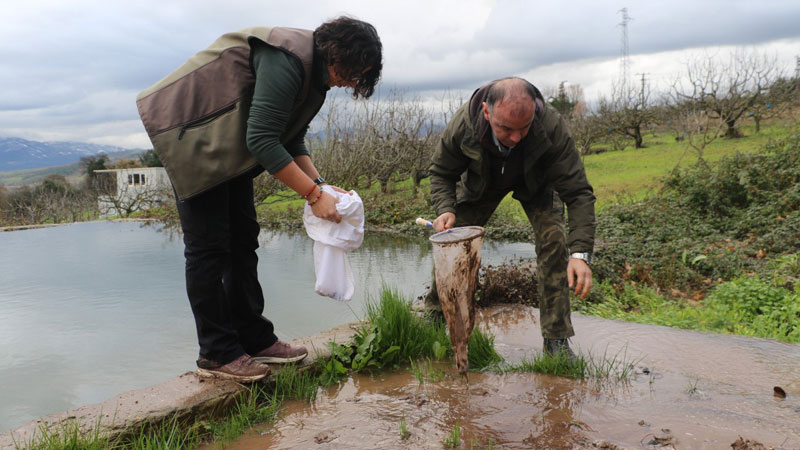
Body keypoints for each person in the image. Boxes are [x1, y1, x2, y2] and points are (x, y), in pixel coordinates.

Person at [136, 17, 382, 382]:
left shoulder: (315, 74)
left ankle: (254, 338)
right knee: (209, 248)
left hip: (229, 141)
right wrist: (314, 196)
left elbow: (290, 138)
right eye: (351, 72)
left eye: (358, 77)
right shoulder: (288, 59)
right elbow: (264, 141)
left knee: (243, 239)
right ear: (337, 52)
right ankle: (218, 353)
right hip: (193, 135)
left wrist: (322, 185)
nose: (349, 82)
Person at [426, 77, 595, 359]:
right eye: (505, 129)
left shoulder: (551, 126)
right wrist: (446, 208)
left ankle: (556, 342)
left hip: (537, 183)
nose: (516, 137)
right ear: (486, 112)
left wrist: (580, 253)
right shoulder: (463, 126)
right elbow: (442, 172)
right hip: (484, 182)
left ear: (534, 113)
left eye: (524, 128)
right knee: (454, 244)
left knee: (554, 243)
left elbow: (578, 192)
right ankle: (433, 317)